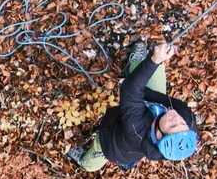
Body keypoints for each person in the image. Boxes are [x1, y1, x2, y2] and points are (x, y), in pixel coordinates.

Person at [67, 40, 200, 171]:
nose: (177, 119)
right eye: (181, 124)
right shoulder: (187, 118)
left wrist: (152, 62)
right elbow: (155, 96)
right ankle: (136, 64)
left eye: (172, 125)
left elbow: (129, 90)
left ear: (159, 135)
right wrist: (147, 74)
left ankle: (84, 162)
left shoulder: (137, 132)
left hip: (114, 143)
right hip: (151, 109)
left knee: (97, 152)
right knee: (154, 71)